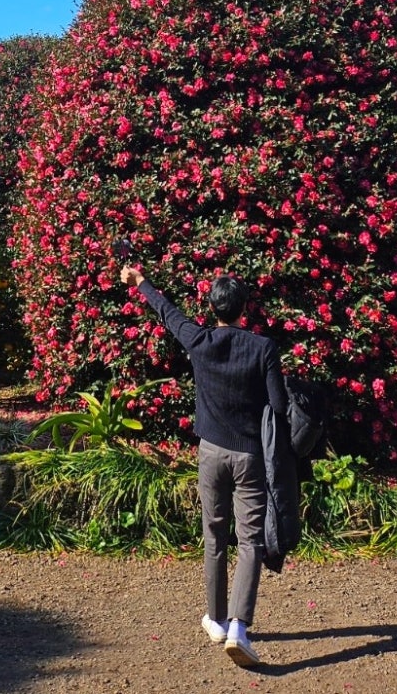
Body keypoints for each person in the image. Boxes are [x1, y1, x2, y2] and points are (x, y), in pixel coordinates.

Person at [119, 258, 288, 668]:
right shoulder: (263, 349)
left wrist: (140, 281)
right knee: (249, 540)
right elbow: (279, 406)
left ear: (212, 308)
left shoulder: (199, 340)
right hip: (250, 455)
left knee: (213, 535)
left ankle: (215, 618)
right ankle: (239, 628)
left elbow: (168, 312)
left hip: (210, 453)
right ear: (244, 308)